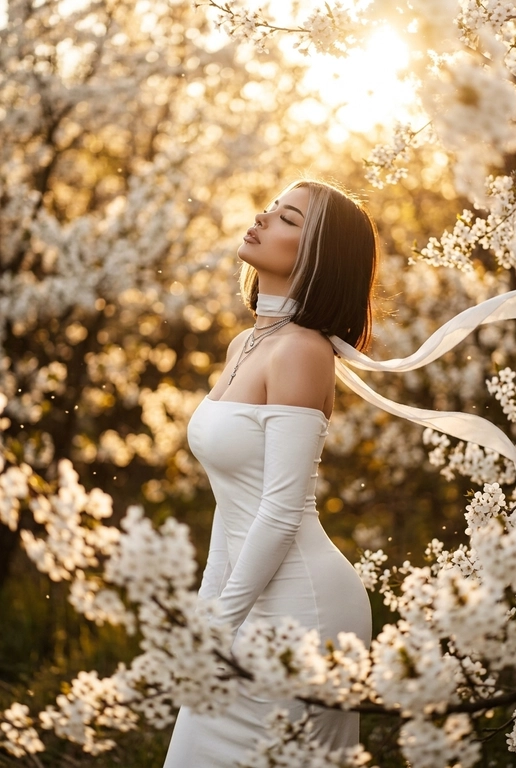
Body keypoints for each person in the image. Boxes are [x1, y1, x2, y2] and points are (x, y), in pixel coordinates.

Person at [162, 178, 378, 767]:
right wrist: (208, 621)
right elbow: (231, 503)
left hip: (302, 609)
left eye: (287, 219)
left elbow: (281, 511)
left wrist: (217, 626)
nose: (262, 218)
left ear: (317, 256)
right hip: (243, 598)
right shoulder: (246, 344)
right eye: (271, 207)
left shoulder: (303, 351)